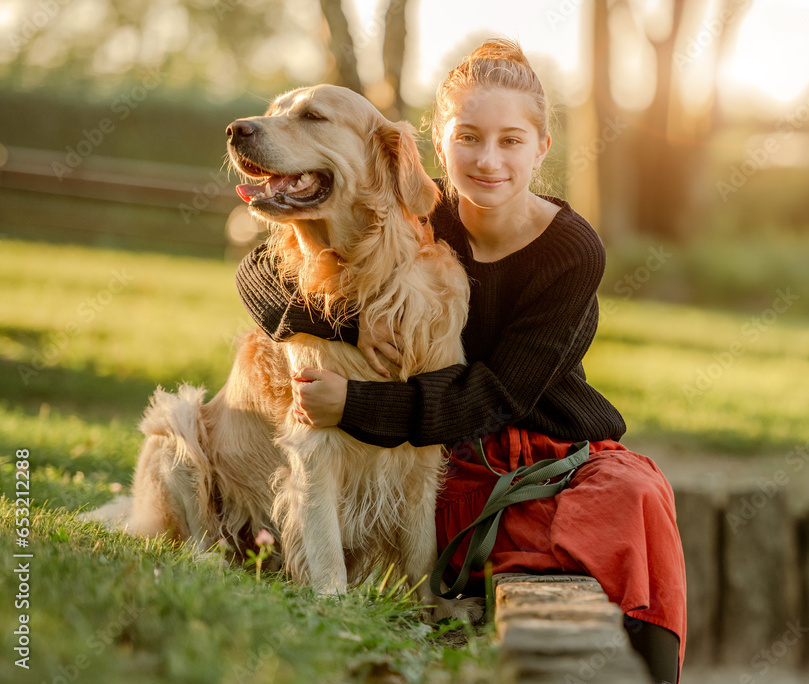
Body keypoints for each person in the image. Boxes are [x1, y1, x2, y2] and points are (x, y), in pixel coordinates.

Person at [235, 38, 686, 683]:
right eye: (469, 137)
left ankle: (654, 673)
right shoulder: (416, 207)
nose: (488, 159)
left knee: (638, 496)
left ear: (541, 149)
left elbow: (501, 391)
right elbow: (259, 274)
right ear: (439, 146)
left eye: (510, 140)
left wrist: (357, 405)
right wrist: (354, 323)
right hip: (437, 453)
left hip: (533, 441)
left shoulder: (572, 251)